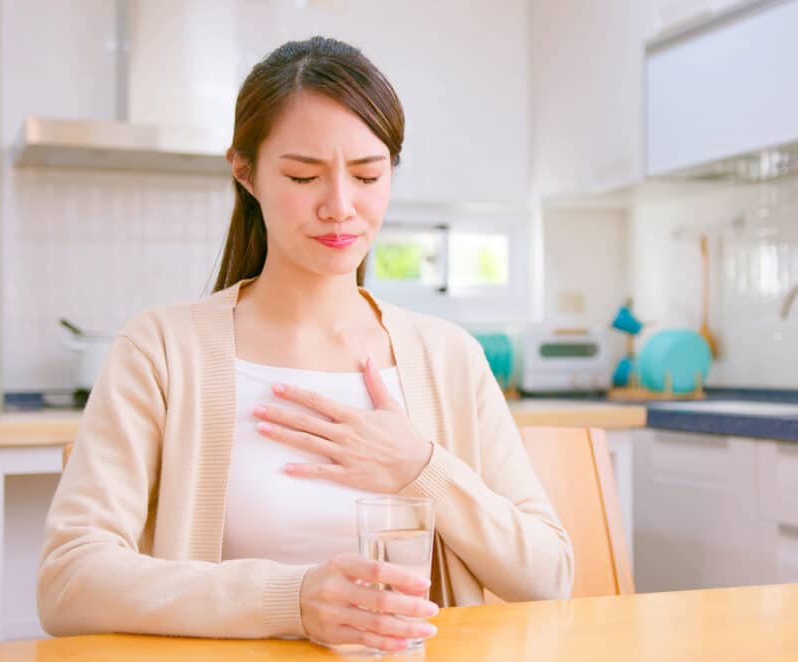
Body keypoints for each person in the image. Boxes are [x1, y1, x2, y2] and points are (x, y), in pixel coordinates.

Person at [36, 36, 573, 652]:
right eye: (303, 175)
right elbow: (67, 579)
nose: (340, 207)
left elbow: (549, 577)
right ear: (246, 172)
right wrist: (291, 600)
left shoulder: (449, 356)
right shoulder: (161, 350)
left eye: (368, 175)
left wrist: (423, 468)